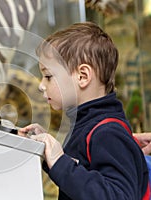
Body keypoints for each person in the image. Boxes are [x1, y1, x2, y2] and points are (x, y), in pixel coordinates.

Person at [18, 22, 149, 199]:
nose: (41, 86)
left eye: (48, 76)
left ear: (83, 76)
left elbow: (119, 195)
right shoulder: (86, 125)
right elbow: (82, 175)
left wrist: (60, 162)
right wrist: (48, 154)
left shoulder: (107, 133)